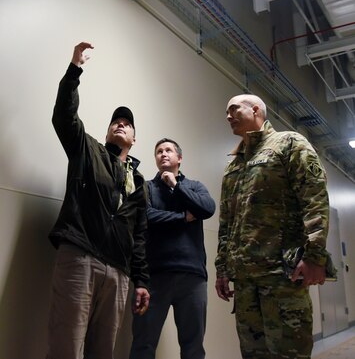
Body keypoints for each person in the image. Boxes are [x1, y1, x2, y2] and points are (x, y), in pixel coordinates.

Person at [46, 41, 150, 359]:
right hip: (81, 256)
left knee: (103, 352)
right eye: (115, 122)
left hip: (118, 273)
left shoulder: (139, 182)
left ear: (134, 139)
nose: (121, 124)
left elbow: (140, 236)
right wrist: (75, 69)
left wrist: (141, 280)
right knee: (67, 348)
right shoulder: (87, 149)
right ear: (107, 133)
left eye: (128, 124)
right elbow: (64, 116)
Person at [215, 94, 330, 359]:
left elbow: (314, 198)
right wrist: (222, 267)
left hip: (282, 276)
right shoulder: (233, 165)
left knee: (289, 353)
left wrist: (315, 255)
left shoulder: (289, 143)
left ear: (256, 109)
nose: (228, 116)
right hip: (245, 281)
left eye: (233, 109)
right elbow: (227, 222)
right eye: (226, 111)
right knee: (253, 354)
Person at [129, 138, 216, 359]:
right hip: (155, 277)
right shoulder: (146, 187)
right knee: (143, 343)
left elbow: (207, 209)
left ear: (179, 158)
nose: (163, 154)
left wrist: (176, 186)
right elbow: (146, 216)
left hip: (192, 277)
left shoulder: (194, 186)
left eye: (168, 150)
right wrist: (183, 217)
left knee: (193, 346)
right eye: (159, 151)